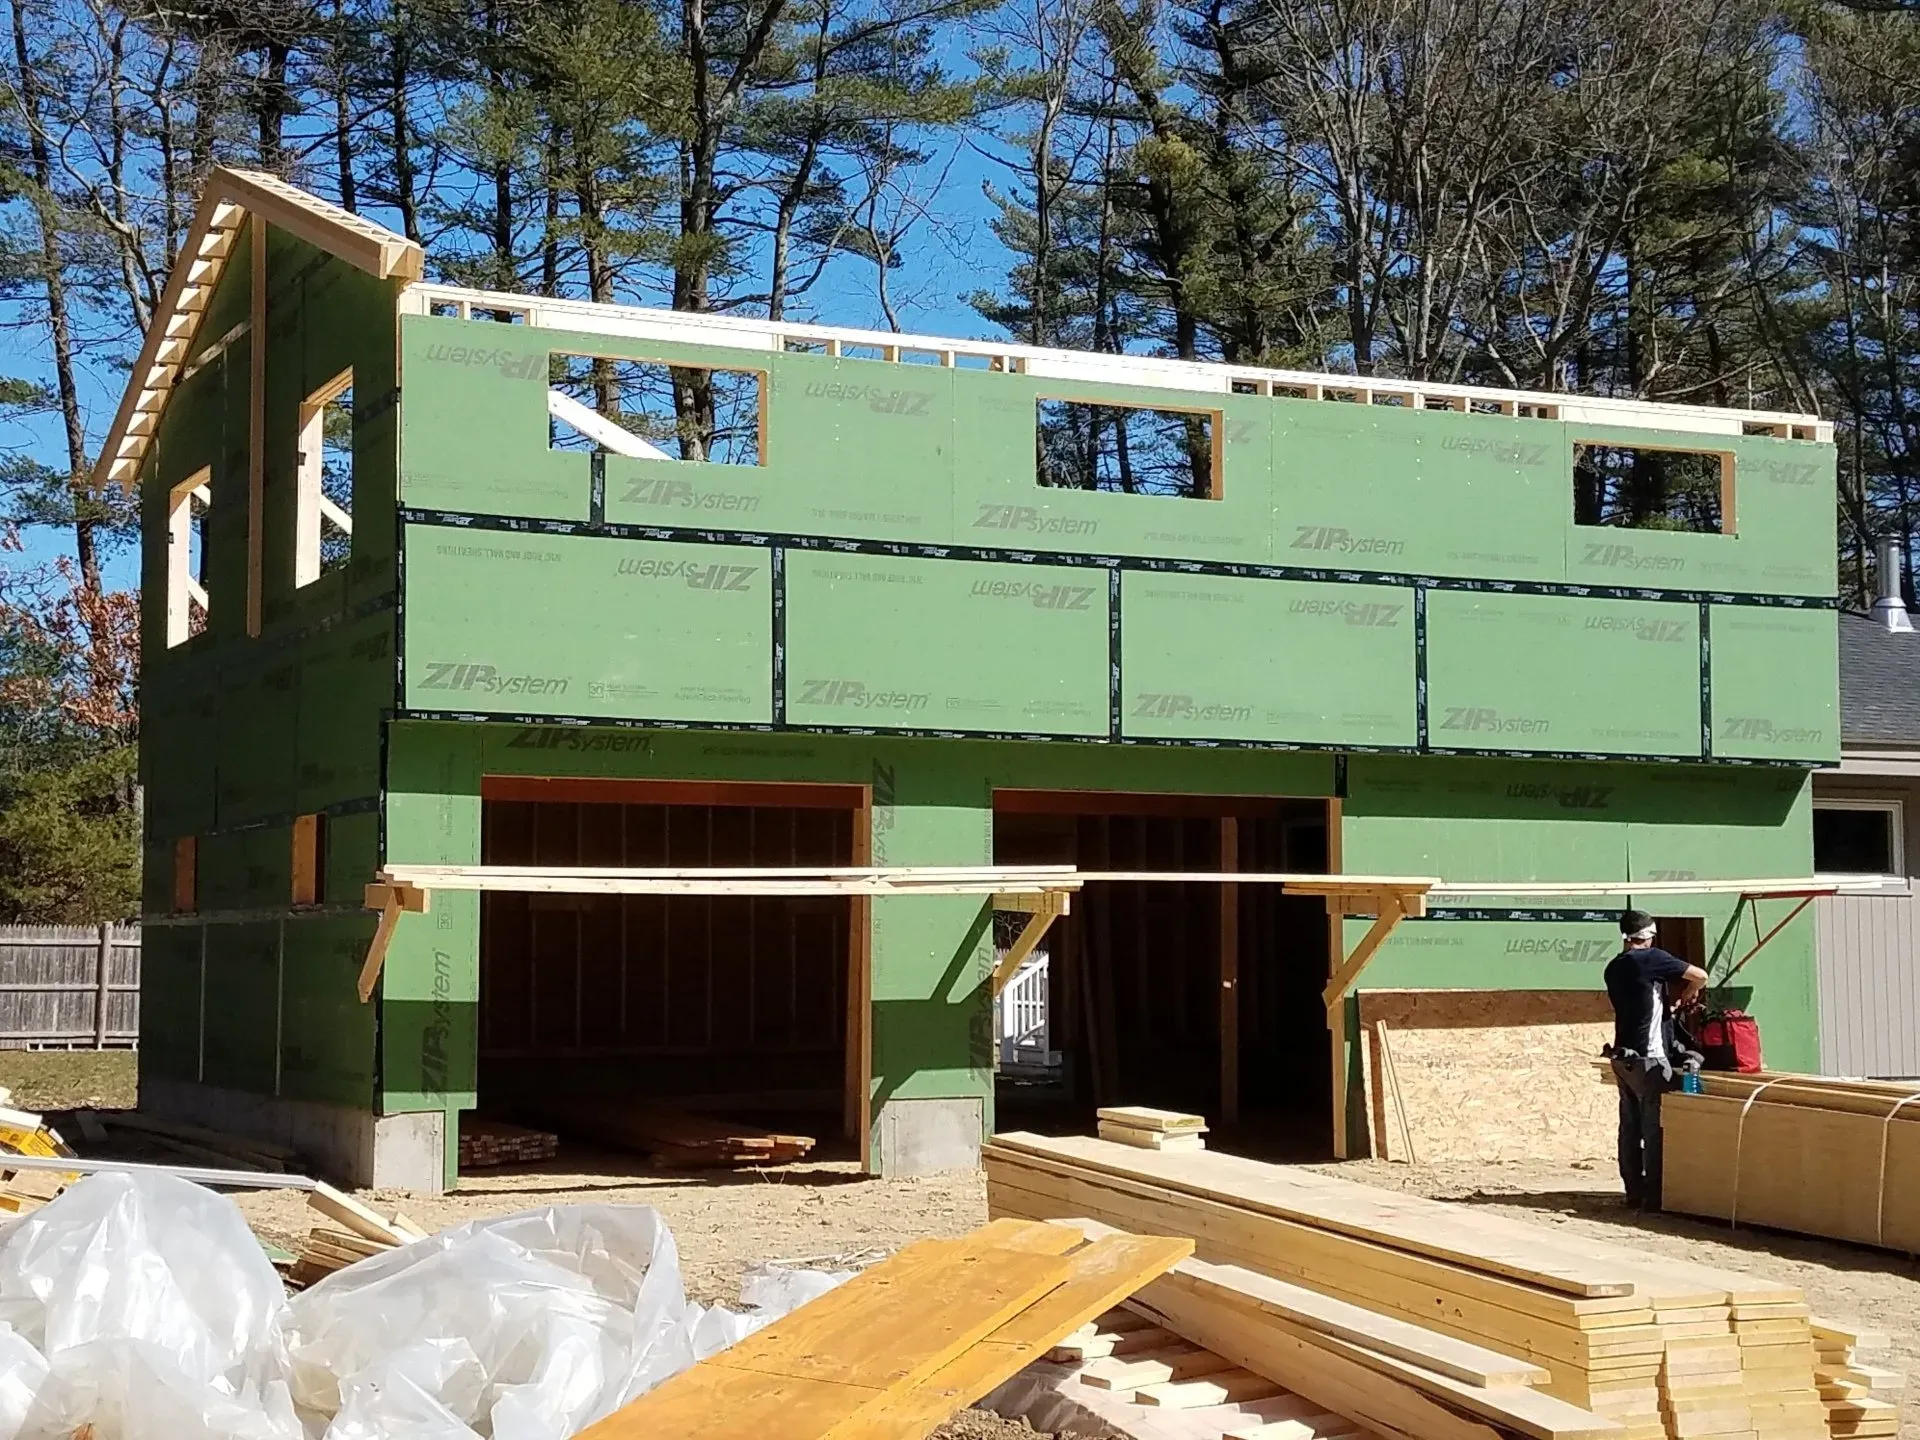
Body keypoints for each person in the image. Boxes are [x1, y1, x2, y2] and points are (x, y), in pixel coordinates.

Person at [1603, 909, 1707, 1211]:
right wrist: (1689, 990)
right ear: (1647, 936)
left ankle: (1633, 1192)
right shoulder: (1649, 958)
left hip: (1623, 1057)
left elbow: (1642, 1004)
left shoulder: (1614, 967)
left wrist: (1667, 1007)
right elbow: (1700, 976)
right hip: (1649, 1060)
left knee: (1629, 1129)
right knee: (1654, 1130)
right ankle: (1655, 1197)